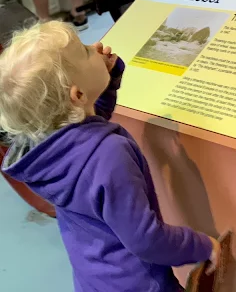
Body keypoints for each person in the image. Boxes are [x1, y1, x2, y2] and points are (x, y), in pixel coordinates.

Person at [0, 21, 220, 292]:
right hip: (140, 284)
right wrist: (201, 246)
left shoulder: (48, 150)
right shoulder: (109, 154)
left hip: (97, 278)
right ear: (78, 94)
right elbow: (147, 239)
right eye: (85, 51)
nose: (96, 46)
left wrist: (109, 78)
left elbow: (88, 123)